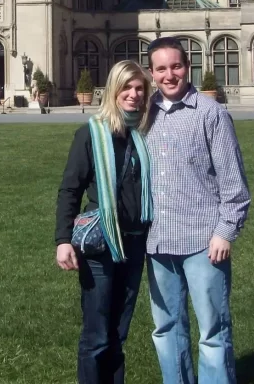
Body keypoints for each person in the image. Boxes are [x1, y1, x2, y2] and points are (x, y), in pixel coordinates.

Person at [143, 37, 251, 384]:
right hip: (157, 242)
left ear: (188, 68)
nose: (169, 74)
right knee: (166, 328)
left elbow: (234, 182)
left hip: (204, 242)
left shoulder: (211, 114)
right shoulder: (144, 115)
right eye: (161, 68)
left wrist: (225, 231)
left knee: (212, 331)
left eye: (176, 66)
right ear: (151, 73)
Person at [56, 60, 155, 384]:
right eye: (127, 87)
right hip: (100, 243)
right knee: (97, 334)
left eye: (139, 88)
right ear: (113, 90)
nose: (133, 94)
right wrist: (63, 240)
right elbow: (70, 188)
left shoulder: (143, 134)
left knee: (119, 332)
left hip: (135, 241)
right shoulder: (91, 134)